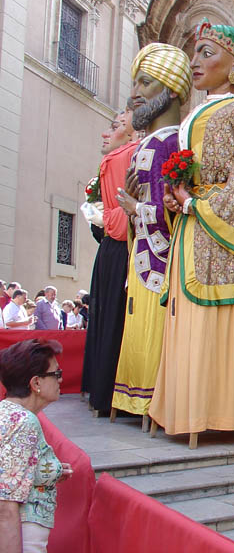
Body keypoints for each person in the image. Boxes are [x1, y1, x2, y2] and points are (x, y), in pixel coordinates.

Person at [149, 19, 234, 449]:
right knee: (185, 319)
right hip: (189, 227)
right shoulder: (192, 115)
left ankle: (217, 411)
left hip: (215, 230)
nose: (196, 61)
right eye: (195, 52)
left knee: (210, 320)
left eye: (207, 52)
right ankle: (181, 409)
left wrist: (198, 204)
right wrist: (177, 199)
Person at [112, 43, 191, 421]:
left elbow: (168, 207)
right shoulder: (149, 142)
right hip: (142, 256)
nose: (136, 93)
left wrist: (134, 208)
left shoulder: (170, 141)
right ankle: (133, 400)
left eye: (146, 82)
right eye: (135, 83)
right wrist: (132, 207)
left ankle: (149, 401)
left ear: (171, 90)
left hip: (157, 262)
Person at [81, 103, 139, 414]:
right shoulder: (117, 157)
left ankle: (106, 391)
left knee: (112, 315)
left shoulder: (127, 154)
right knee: (107, 315)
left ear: (132, 131)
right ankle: (103, 391)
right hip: (113, 244)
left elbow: (126, 207)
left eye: (116, 125)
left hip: (120, 245)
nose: (107, 132)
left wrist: (107, 218)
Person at [0, 339, 73, 552]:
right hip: (22, 539)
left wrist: (52, 472)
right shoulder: (24, 422)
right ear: (36, 383)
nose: (60, 380)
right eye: (56, 374)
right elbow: (5, 504)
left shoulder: (7, 412)